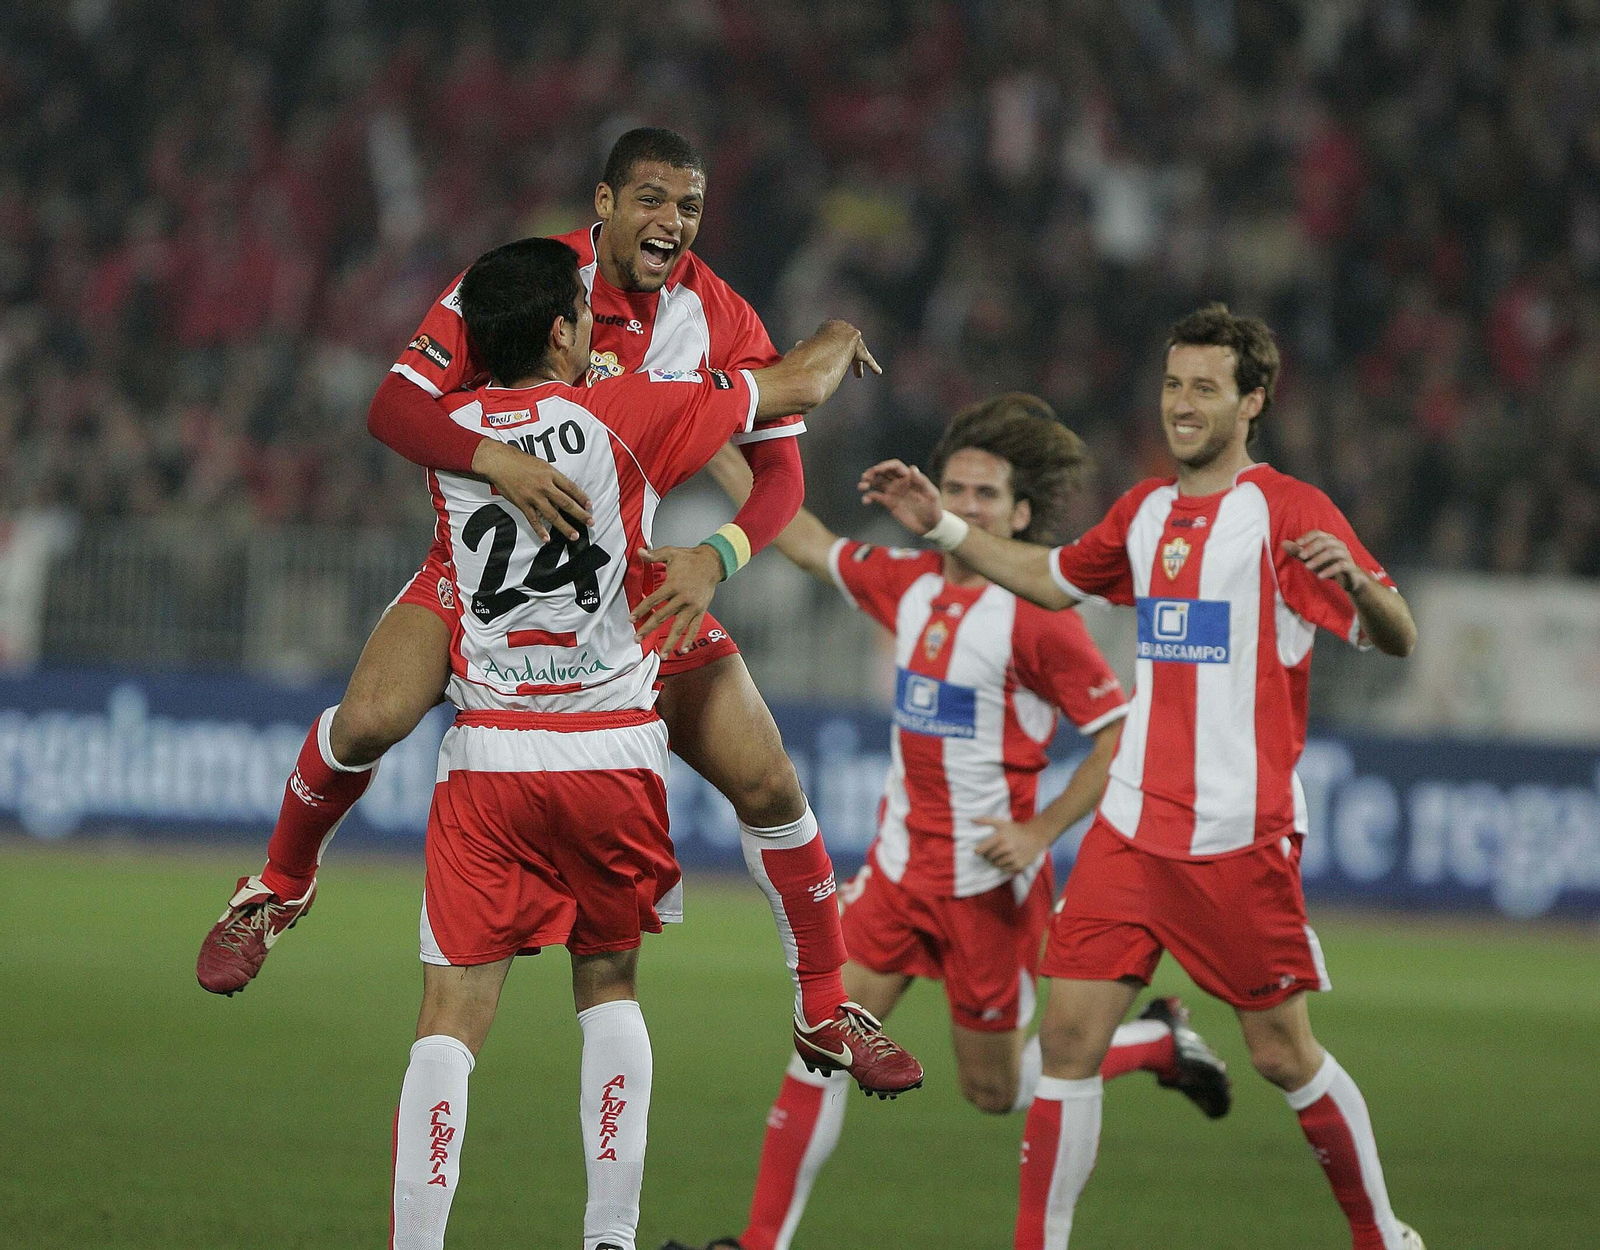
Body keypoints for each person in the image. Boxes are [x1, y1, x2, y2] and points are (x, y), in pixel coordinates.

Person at [197, 128, 916, 1092]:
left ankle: (824, 1009)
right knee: (368, 718)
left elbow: (781, 469)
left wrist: (718, 554)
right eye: (652, 199)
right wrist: (499, 461)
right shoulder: (529, 283)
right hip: (475, 574)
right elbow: (393, 407)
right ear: (605, 203)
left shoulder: (716, 313)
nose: (672, 221)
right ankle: (277, 890)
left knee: (773, 786)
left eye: (690, 206)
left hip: (630, 587)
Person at [860, 305, 1424, 1250]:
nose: (1182, 404)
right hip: (1128, 832)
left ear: (1253, 403)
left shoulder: (1289, 513)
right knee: (1069, 1045)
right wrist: (948, 525)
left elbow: (1400, 636)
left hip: (1234, 837)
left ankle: (1383, 1236)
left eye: (1206, 387)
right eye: (1173, 384)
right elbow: (1046, 579)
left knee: (1283, 1055)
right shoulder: (1146, 511)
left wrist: (1363, 587)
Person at [389, 236, 884, 1250]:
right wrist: (839, 333)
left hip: (489, 752)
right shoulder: (630, 413)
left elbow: (393, 413)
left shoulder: (450, 431)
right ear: (567, 331)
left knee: (448, 1019)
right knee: (608, 986)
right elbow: (798, 387)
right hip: (610, 747)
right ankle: (610, 1237)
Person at [661, 395, 1232, 1250]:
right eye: (955, 486)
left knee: (995, 1093)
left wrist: (1042, 834)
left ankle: (1152, 1041)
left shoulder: (1038, 618)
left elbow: (1122, 734)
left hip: (988, 892)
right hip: (896, 875)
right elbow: (809, 541)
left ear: (1021, 514)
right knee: (821, 1041)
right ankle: (758, 1242)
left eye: (985, 495)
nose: (965, 505)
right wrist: (711, 434)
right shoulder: (910, 585)